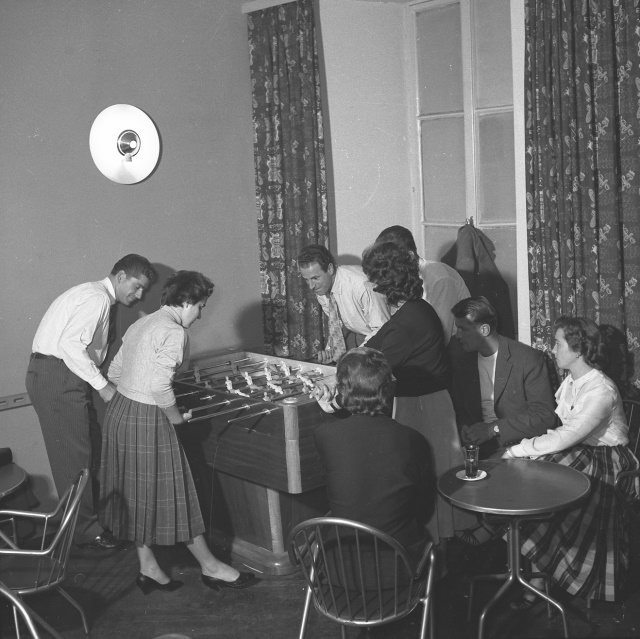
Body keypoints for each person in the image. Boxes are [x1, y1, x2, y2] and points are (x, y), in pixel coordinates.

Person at [99, 271, 256, 593]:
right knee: (176, 493)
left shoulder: (142, 323)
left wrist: (136, 392)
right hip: (147, 416)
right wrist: (175, 418)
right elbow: (159, 385)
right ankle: (211, 567)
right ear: (185, 302)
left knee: (136, 494)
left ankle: (148, 567)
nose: (200, 315)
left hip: (119, 412)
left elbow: (114, 371)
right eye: (200, 307)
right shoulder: (173, 332)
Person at [503, 316, 639, 605]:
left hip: (608, 460)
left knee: (546, 477)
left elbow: (568, 435)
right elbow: (564, 433)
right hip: (581, 450)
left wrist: (518, 449)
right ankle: (538, 573)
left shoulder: (601, 390)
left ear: (578, 350)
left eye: (558, 343)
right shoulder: (572, 381)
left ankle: (543, 576)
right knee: (537, 474)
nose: (552, 349)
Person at [26, 254, 156, 550]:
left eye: (143, 290)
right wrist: (103, 387)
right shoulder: (96, 298)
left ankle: (94, 521)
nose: (139, 296)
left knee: (90, 448)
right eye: (136, 286)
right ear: (120, 276)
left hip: (62, 375)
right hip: (57, 375)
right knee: (75, 458)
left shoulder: (95, 296)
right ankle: (85, 531)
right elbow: (69, 346)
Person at [361, 241, 476, 544]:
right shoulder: (416, 310)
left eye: (374, 283)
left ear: (385, 286)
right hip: (427, 403)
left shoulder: (407, 322)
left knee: (426, 477)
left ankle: (433, 548)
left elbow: (373, 366)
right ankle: (438, 543)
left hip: (423, 407)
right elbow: (375, 342)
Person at [313, 347, 432, 553]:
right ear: (388, 390)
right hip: (398, 561)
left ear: (341, 390)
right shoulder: (414, 439)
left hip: (340, 560)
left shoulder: (325, 435)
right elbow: (424, 507)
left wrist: (332, 409)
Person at [450, 296, 556, 459]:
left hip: (519, 446)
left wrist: (493, 429)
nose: (457, 335)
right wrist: (464, 427)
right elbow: (461, 407)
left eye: (462, 329)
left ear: (484, 330)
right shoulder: (463, 359)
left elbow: (544, 415)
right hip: (479, 448)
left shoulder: (527, 358)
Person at [375, 225, 469, 344]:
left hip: (454, 345)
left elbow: (441, 335)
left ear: (410, 256)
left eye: (389, 260)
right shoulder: (401, 278)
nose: (386, 266)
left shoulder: (439, 278)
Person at [297, 244, 389, 363]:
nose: (311, 286)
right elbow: (338, 325)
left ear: (330, 269)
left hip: (384, 340)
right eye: (306, 279)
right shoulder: (321, 288)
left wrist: (355, 355)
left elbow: (382, 329)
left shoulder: (361, 285)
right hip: (362, 337)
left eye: (315, 278)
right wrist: (330, 351)